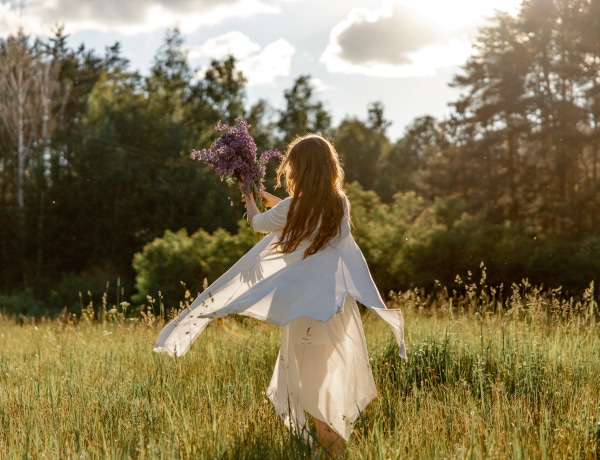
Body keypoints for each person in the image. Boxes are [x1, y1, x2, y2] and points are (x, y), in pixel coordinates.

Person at [154, 134, 406, 457]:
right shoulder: (339, 204)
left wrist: (247, 195)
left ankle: (334, 451)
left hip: (305, 314)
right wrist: (265, 196)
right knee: (320, 383)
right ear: (328, 168)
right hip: (336, 311)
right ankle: (329, 449)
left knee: (308, 390)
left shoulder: (293, 209)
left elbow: (259, 223)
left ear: (298, 170)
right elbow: (295, 213)